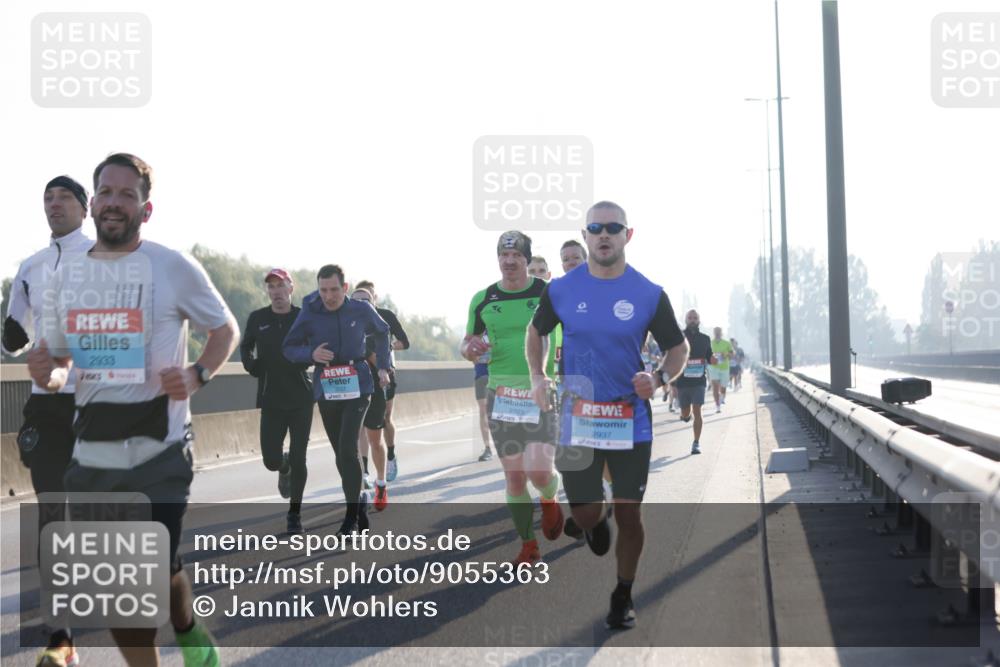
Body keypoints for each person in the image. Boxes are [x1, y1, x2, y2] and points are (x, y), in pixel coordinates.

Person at [29, 153, 235, 666]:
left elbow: (224, 329)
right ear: (93, 201)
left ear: (145, 210)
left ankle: (186, 629)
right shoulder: (66, 278)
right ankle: (182, 635)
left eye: (127, 194)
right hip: (93, 453)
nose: (114, 202)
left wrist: (197, 374)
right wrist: (48, 374)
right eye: (106, 191)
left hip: (160, 451)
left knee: (153, 571)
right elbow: (60, 362)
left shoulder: (173, 267)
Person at [527, 201, 688, 630]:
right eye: (595, 228)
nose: (603, 235)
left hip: (629, 416)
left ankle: (623, 593)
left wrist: (658, 379)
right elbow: (535, 331)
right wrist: (537, 376)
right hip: (577, 416)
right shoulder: (560, 289)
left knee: (631, 513)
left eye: (612, 228)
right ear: (585, 235)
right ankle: (595, 523)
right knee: (582, 515)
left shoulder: (649, 293)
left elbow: (678, 349)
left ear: (627, 236)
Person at [5, 176, 91, 667]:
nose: (54, 204)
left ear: (84, 208)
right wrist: (15, 336)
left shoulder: (106, 258)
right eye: (47, 198)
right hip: (46, 403)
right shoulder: (29, 268)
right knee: (53, 514)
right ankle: (62, 638)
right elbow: (12, 338)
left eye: (64, 198)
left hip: (100, 401)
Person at [462, 231, 563, 565]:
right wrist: (470, 349)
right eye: (503, 256)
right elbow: (467, 342)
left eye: (515, 256)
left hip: (539, 392)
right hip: (501, 395)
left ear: (526, 260)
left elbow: (566, 333)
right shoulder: (483, 298)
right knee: (515, 476)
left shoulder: (548, 293)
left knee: (538, 472)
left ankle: (549, 497)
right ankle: (528, 544)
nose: (508, 262)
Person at [282, 265, 391, 534]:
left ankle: (350, 518)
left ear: (344, 288)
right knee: (342, 457)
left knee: (346, 448)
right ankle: (360, 500)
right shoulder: (310, 312)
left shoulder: (361, 309)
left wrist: (383, 366)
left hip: (359, 384)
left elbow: (383, 330)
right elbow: (289, 347)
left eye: (333, 290)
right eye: (323, 290)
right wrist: (310, 354)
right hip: (327, 386)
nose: (328, 296)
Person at [240, 268, 314, 534]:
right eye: (271, 287)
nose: (276, 292)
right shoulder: (258, 318)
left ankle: (294, 514)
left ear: (290, 288)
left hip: (301, 397)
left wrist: (305, 358)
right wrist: (252, 365)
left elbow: (315, 345)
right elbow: (245, 346)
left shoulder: (302, 317)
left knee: (300, 457)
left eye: (280, 285)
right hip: (271, 398)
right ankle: (283, 467)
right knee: (270, 460)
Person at [353, 281, 409, 488]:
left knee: (384, 419)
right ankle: (365, 470)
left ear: (374, 300)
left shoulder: (385, 317)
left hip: (384, 374)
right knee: (360, 426)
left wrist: (385, 347)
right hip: (359, 378)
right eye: (356, 301)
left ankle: (391, 455)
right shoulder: (348, 320)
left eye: (367, 299)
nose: (361, 305)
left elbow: (405, 342)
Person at [674, 310, 713, 454]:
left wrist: (713, 359)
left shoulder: (705, 338)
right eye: (690, 318)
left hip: (699, 381)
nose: (692, 320)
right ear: (686, 320)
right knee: (685, 413)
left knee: (698, 410)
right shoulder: (679, 337)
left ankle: (696, 443)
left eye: (695, 318)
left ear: (699, 320)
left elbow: (709, 356)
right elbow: (672, 355)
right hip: (683, 381)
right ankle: (685, 415)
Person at [709, 327, 734, 413]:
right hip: (713, 368)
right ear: (713, 333)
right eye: (716, 332)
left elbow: (732, 354)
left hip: (724, 368)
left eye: (719, 332)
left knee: (723, 387)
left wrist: (726, 354)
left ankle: (722, 397)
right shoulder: (710, 343)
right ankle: (717, 406)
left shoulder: (727, 343)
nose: (717, 333)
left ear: (721, 333)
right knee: (715, 387)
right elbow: (706, 354)